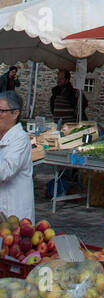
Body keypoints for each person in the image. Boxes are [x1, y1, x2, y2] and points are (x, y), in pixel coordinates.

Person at [0, 90, 35, 222]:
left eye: (2, 111)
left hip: (15, 212)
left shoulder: (21, 138)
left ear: (15, 113)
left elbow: (6, 171)